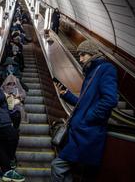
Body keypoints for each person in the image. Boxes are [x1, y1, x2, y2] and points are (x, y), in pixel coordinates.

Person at [51, 40, 118, 182]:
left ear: (93, 54)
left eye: (83, 55)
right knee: (65, 169)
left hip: (87, 133)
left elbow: (110, 100)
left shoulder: (106, 69)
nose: (80, 59)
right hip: (80, 133)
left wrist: (88, 118)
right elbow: (84, 103)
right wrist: (66, 95)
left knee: (57, 166)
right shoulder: (92, 72)